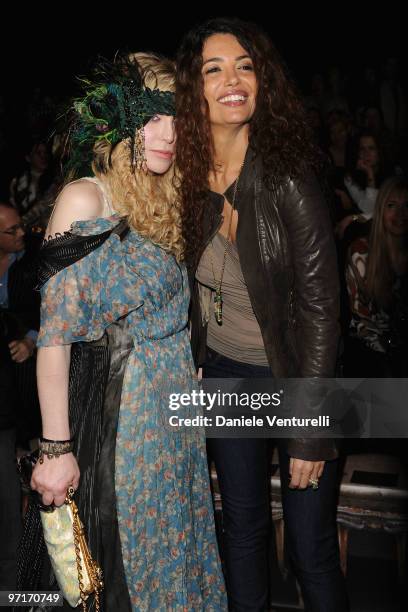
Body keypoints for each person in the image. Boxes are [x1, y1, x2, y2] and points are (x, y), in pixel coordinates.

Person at [27, 53, 226, 611]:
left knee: (179, 557)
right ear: (119, 124)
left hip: (177, 429)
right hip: (127, 423)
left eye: (178, 121)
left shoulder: (166, 197)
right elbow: (55, 339)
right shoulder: (87, 198)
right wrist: (56, 449)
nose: (167, 135)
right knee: (128, 572)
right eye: (152, 118)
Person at [176, 17, 349, 611]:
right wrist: (197, 358)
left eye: (245, 65)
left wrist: (308, 428)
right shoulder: (184, 182)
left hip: (296, 379)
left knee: (310, 548)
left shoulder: (286, 176)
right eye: (214, 68)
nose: (233, 79)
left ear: (261, 81)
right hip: (225, 375)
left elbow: (325, 309)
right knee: (242, 534)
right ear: (193, 89)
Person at [0, 202, 40, 600]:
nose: (21, 235)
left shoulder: (31, 264)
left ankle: (22, 589)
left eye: (20, 228)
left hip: (24, 383)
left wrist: (31, 340)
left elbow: (52, 314)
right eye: (11, 231)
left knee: (21, 486)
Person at [344, 176, 408, 377]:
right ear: (381, 210)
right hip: (370, 358)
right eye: (392, 205)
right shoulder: (361, 251)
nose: (400, 213)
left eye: (407, 206)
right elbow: (362, 321)